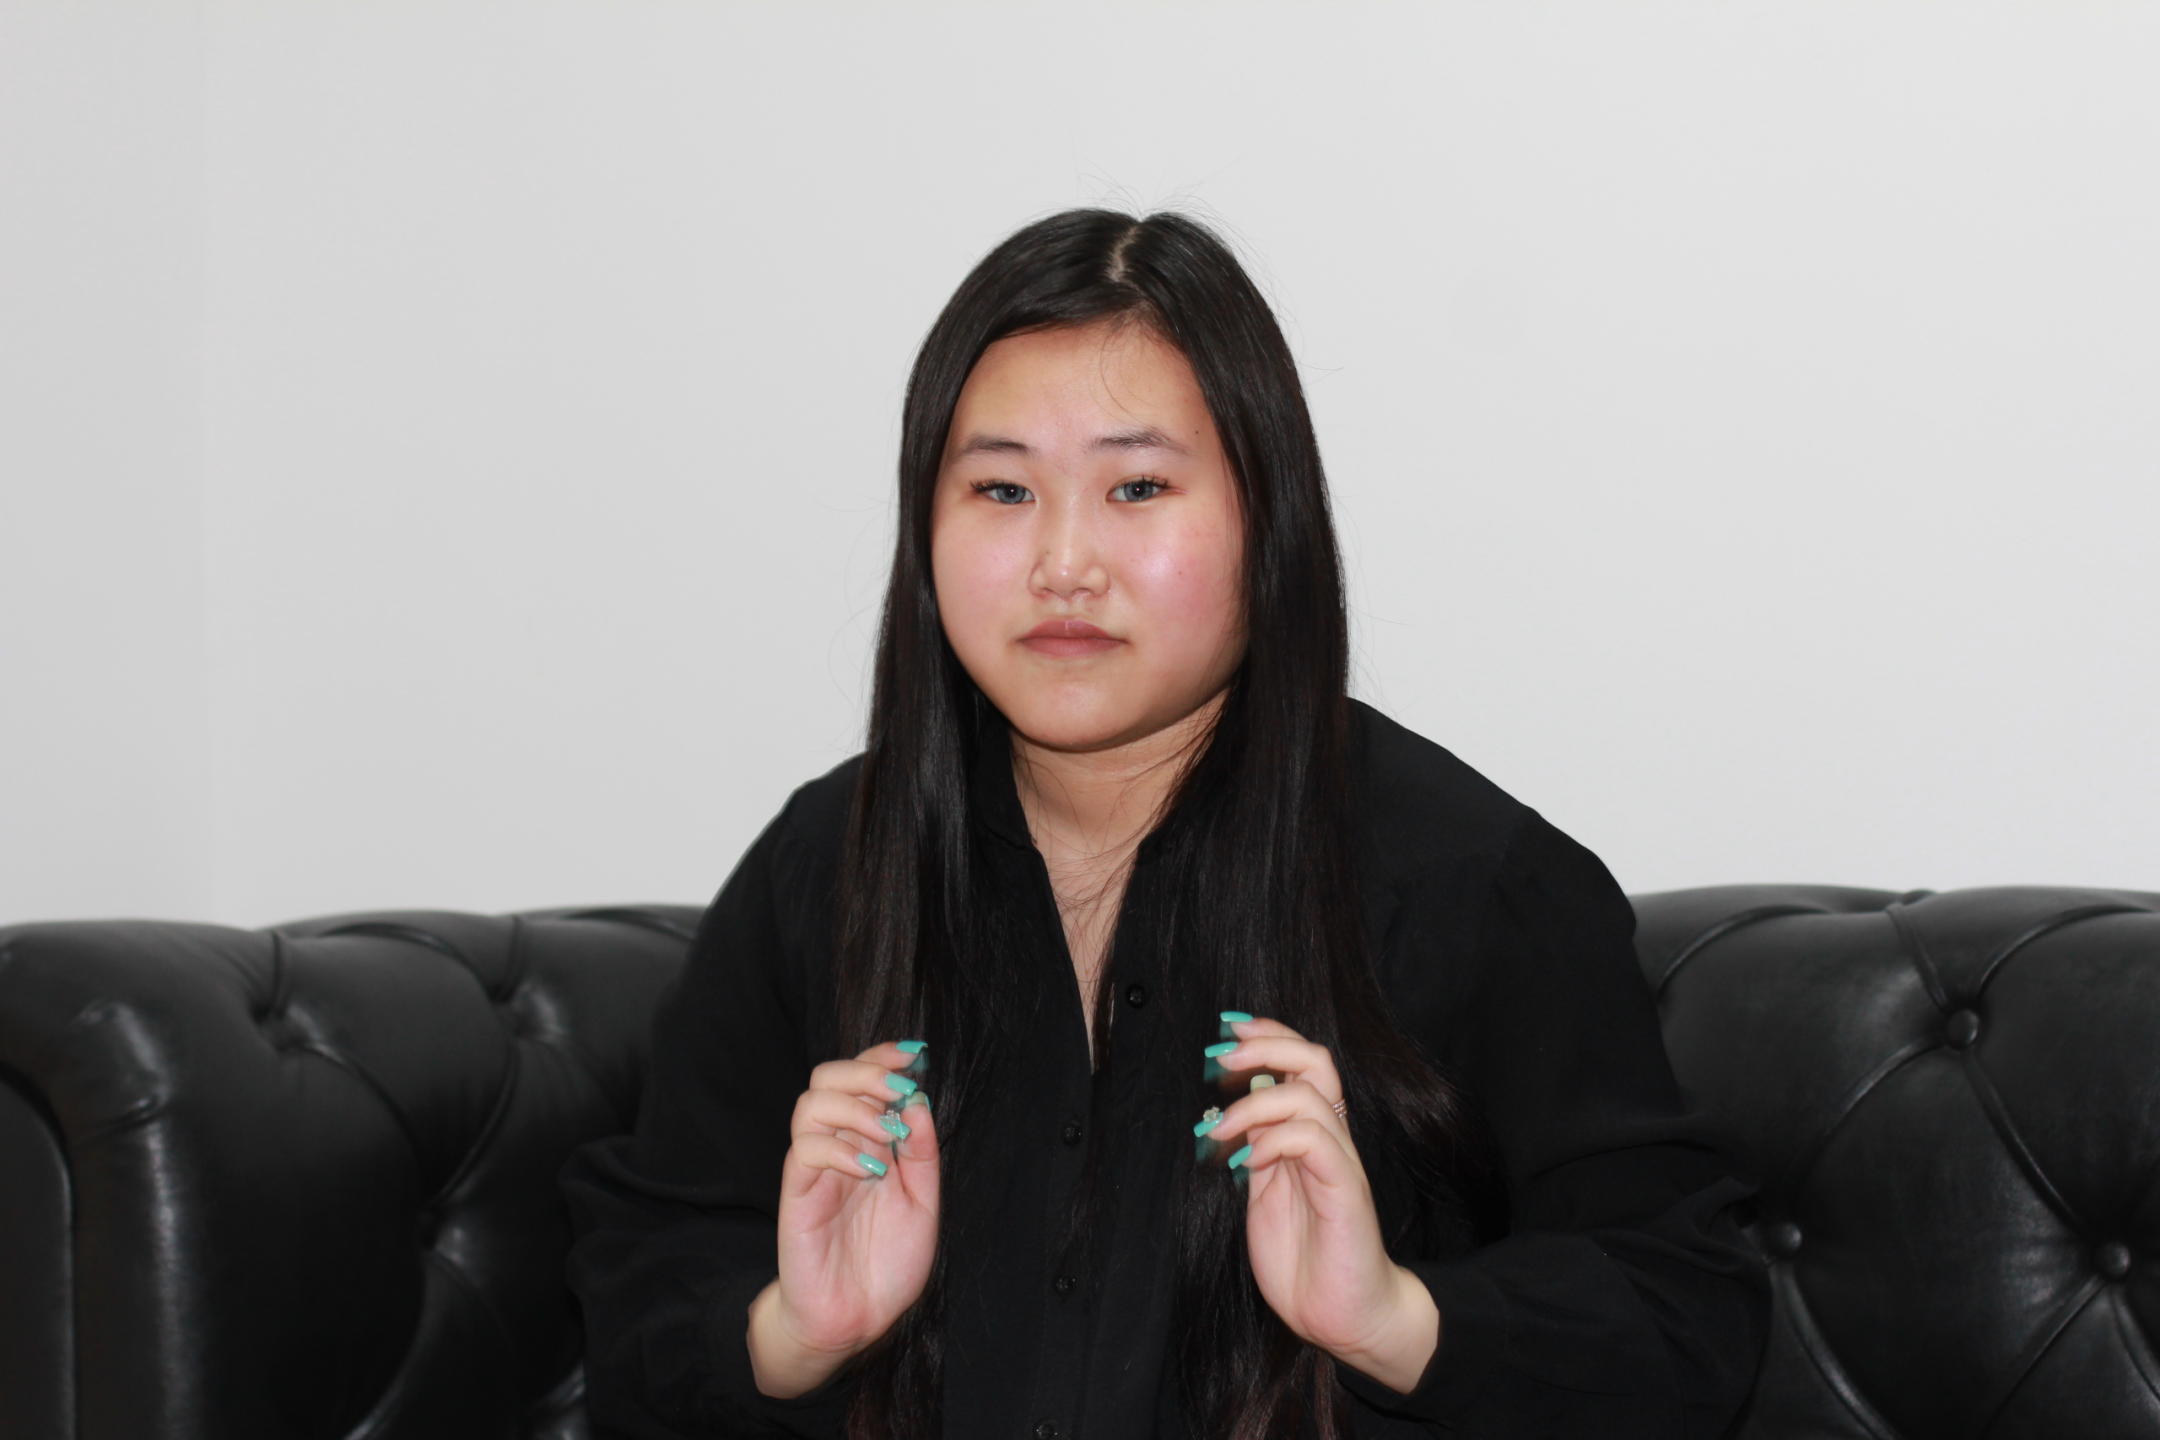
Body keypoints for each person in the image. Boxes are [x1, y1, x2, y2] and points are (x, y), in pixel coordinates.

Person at [558, 208, 1772, 1440]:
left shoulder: (1475, 880)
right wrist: (791, 1337)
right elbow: (644, 1278)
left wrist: (1395, 1321)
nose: (1063, 562)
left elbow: (1687, 1321)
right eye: (1002, 489)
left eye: (1137, 487)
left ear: (1267, 516)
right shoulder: (827, 863)